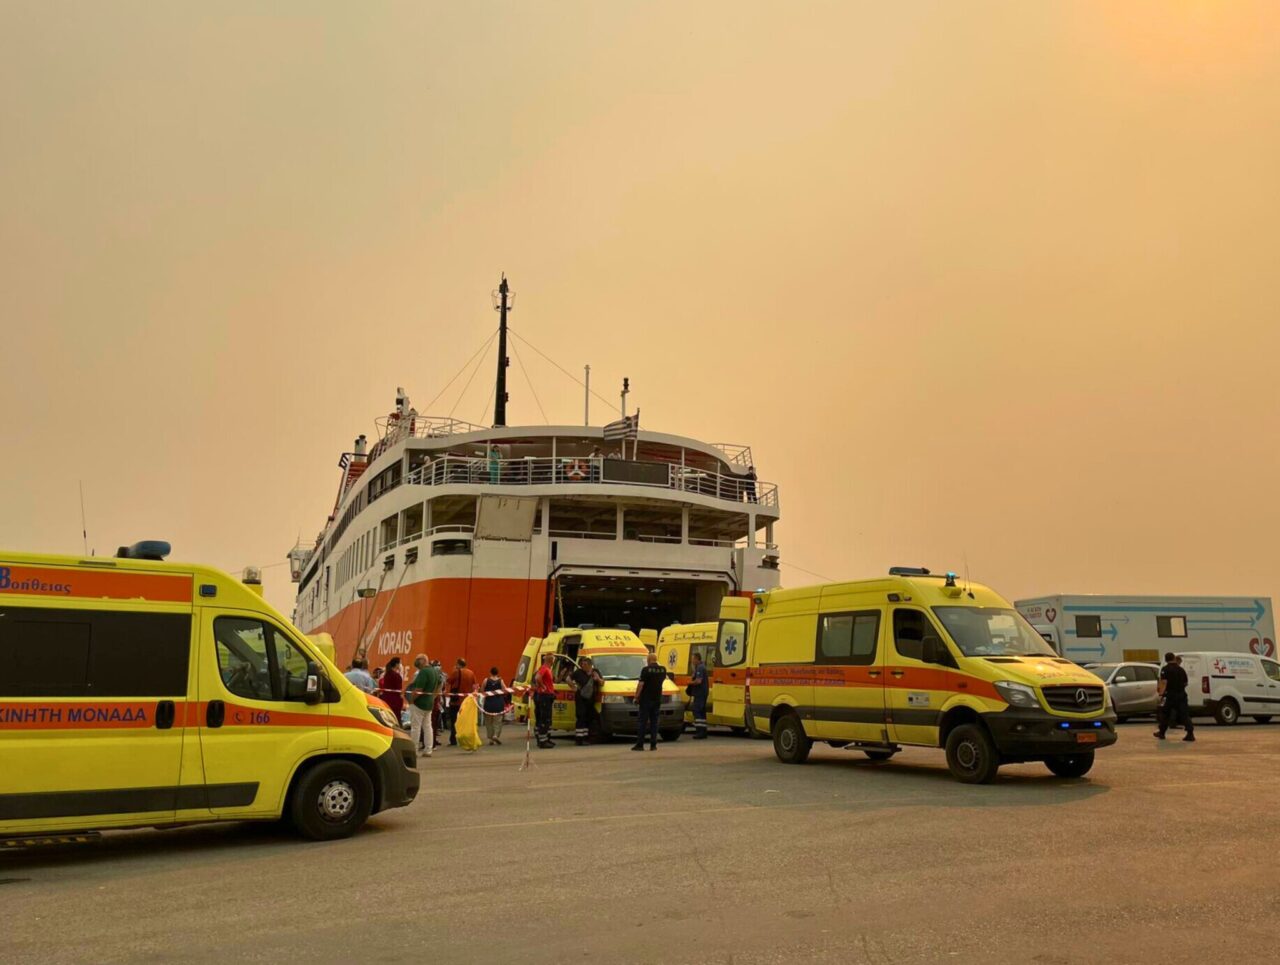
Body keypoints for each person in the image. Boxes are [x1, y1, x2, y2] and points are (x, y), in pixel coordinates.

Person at [1154, 651, 1195, 742]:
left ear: (1166, 660)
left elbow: (1164, 683)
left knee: (1165, 714)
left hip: (1170, 695)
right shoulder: (1181, 670)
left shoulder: (1165, 669)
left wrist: (1161, 695)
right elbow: (1185, 683)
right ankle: (1190, 733)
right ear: (1173, 658)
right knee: (1184, 715)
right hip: (1181, 695)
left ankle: (1162, 732)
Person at [407, 655, 443, 757]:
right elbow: (440, 684)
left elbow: (418, 690)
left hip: (419, 704)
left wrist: (411, 700)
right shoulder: (434, 671)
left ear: (423, 660)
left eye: (417, 660)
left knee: (416, 727)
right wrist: (433, 697)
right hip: (429, 703)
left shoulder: (423, 672)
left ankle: (414, 750)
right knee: (428, 727)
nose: (415, 662)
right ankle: (428, 749)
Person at [633, 651, 668, 751]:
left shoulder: (645, 670)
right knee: (654, 722)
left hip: (646, 699)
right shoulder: (663, 670)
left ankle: (640, 744)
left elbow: (641, 684)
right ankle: (653, 745)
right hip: (657, 699)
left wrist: (636, 697)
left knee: (642, 722)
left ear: (648, 660)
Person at [570, 657, 603, 745]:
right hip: (580, 698)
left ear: (590, 665)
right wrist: (573, 687)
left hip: (591, 699)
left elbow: (602, 682)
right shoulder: (578, 672)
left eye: (585, 664)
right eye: (582, 664)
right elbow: (568, 679)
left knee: (589, 718)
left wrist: (597, 679)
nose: (582, 666)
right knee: (581, 717)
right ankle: (579, 739)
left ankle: (586, 738)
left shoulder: (595, 672)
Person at [445, 659, 478, 746]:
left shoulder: (456, 672)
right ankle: (464, 737)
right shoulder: (471, 673)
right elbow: (475, 685)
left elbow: (448, 681)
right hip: (467, 701)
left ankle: (453, 740)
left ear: (458, 664)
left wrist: (454, 670)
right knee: (465, 721)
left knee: (454, 721)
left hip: (456, 702)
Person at [533, 653, 557, 748]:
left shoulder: (547, 669)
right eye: (553, 660)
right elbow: (537, 678)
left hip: (546, 696)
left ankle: (546, 739)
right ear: (551, 660)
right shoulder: (544, 668)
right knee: (544, 719)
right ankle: (543, 741)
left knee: (547, 719)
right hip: (545, 696)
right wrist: (543, 686)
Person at [482, 667, 508, 745]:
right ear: (497, 673)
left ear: (490, 672)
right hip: (498, 703)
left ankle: (491, 739)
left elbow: (482, 691)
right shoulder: (501, 681)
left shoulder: (486, 680)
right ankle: (495, 735)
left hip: (488, 704)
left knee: (488, 722)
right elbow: (505, 690)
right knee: (498, 721)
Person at [688, 651, 710, 739]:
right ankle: (703, 731)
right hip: (702, 693)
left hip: (700, 693)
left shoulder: (700, 668)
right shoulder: (700, 667)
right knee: (702, 712)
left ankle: (700, 731)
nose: (692, 661)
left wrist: (690, 682)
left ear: (697, 659)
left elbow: (698, 681)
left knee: (697, 710)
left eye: (693, 659)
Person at [381, 656, 405, 723]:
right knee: (396, 719)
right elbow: (399, 690)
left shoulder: (387, 674)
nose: (401, 665)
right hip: (395, 701)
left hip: (386, 699)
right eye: (400, 663)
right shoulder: (396, 676)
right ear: (396, 664)